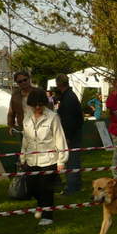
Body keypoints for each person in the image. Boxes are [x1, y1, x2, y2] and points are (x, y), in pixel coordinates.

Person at [20, 88, 68, 226]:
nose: (37, 108)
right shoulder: (27, 117)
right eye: (34, 105)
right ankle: (41, 205)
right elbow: (26, 139)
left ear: (45, 103)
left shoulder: (53, 117)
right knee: (32, 187)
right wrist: (22, 156)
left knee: (46, 189)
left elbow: (60, 139)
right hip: (31, 159)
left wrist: (61, 160)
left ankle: (47, 216)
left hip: (49, 159)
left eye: (40, 104)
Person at [55, 74, 84, 195]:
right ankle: (76, 184)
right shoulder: (70, 96)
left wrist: (67, 137)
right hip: (75, 132)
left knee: (71, 161)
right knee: (74, 160)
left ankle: (72, 187)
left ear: (58, 84)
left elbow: (69, 120)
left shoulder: (68, 98)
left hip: (71, 134)